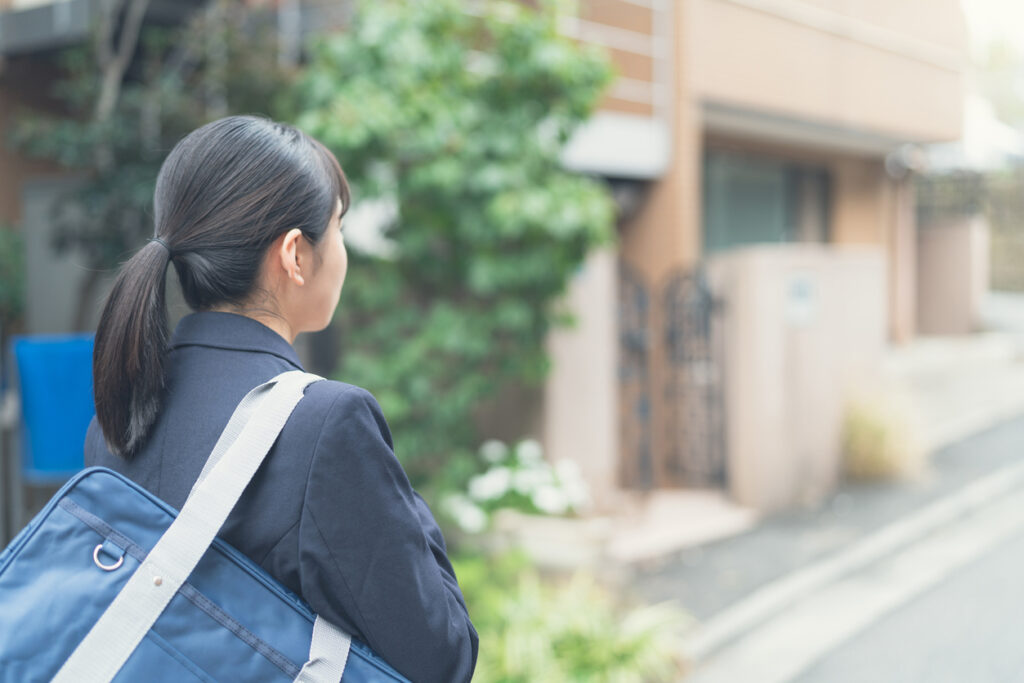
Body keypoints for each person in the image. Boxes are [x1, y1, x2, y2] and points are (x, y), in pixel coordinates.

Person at [83, 115, 478, 683]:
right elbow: (443, 658)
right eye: (338, 228)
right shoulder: (324, 423)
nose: (342, 251)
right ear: (294, 254)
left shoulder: (115, 422)